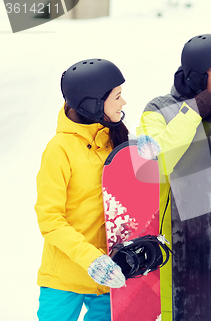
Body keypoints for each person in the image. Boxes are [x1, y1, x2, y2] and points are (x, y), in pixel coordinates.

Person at [136, 34, 211, 321]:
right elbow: (156, 165)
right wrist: (193, 112)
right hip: (175, 247)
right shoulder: (156, 111)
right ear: (195, 78)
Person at [35, 58, 129, 321]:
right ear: (94, 103)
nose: (123, 103)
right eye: (118, 96)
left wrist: (145, 161)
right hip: (65, 278)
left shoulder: (114, 139)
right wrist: (91, 259)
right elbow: (50, 220)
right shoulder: (60, 150)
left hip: (108, 277)